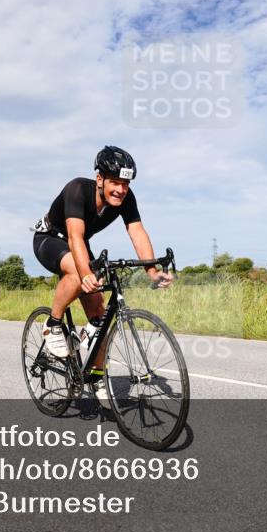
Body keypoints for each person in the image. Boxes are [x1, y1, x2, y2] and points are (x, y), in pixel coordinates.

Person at [32, 146, 173, 408]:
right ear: (100, 179)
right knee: (78, 271)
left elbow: (137, 232)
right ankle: (52, 325)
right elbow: (74, 236)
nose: (121, 189)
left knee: (100, 315)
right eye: (115, 182)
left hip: (78, 244)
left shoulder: (126, 199)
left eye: (126, 184)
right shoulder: (77, 189)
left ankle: (96, 376)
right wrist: (85, 274)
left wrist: (152, 271)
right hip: (51, 240)